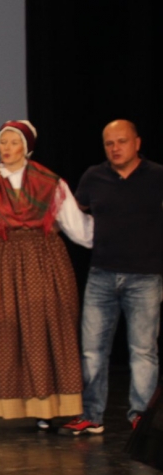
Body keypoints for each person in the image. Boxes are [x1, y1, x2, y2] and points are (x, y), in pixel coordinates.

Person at [0, 121, 91, 432]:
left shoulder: (50, 183)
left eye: (13, 142)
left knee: (41, 329)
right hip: (3, 259)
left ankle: (44, 407)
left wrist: (116, 234)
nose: (6, 148)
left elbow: (78, 229)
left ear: (27, 147)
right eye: (2, 142)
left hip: (42, 260)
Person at [60, 120, 163, 436]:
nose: (115, 148)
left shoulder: (157, 175)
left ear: (137, 143)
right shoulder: (94, 176)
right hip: (101, 274)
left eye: (122, 141)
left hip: (145, 277)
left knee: (143, 351)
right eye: (109, 143)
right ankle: (91, 415)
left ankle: (141, 417)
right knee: (92, 350)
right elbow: (74, 212)